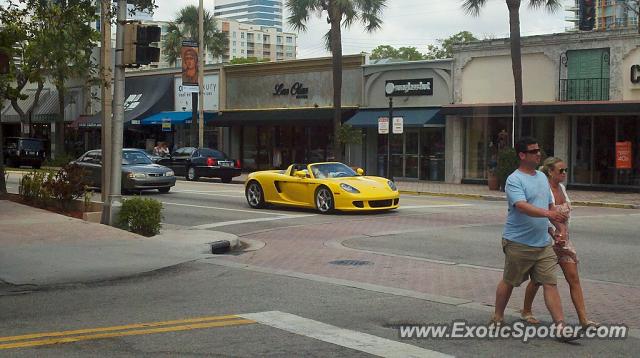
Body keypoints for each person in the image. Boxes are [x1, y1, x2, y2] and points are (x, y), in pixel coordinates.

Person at [491, 137, 575, 340]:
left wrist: (559, 228)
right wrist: (549, 216)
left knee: (550, 283)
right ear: (522, 155)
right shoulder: (514, 179)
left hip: (542, 243)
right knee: (510, 281)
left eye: (539, 150)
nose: (539, 153)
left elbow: (550, 207)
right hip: (518, 242)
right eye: (534, 151)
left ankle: (561, 328)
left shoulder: (540, 177)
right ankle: (497, 316)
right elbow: (520, 205)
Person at [520, 157, 598, 329]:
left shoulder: (562, 188)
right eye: (561, 170)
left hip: (564, 240)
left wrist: (563, 233)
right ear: (550, 171)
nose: (564, 173)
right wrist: (553, 232)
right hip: (547, 240)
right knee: (539, 280)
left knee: (573, 278)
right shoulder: (543, 189)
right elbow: (543, 214)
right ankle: (526, 310)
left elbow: (567, 214)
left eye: (565, 170)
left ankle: (584, 320)